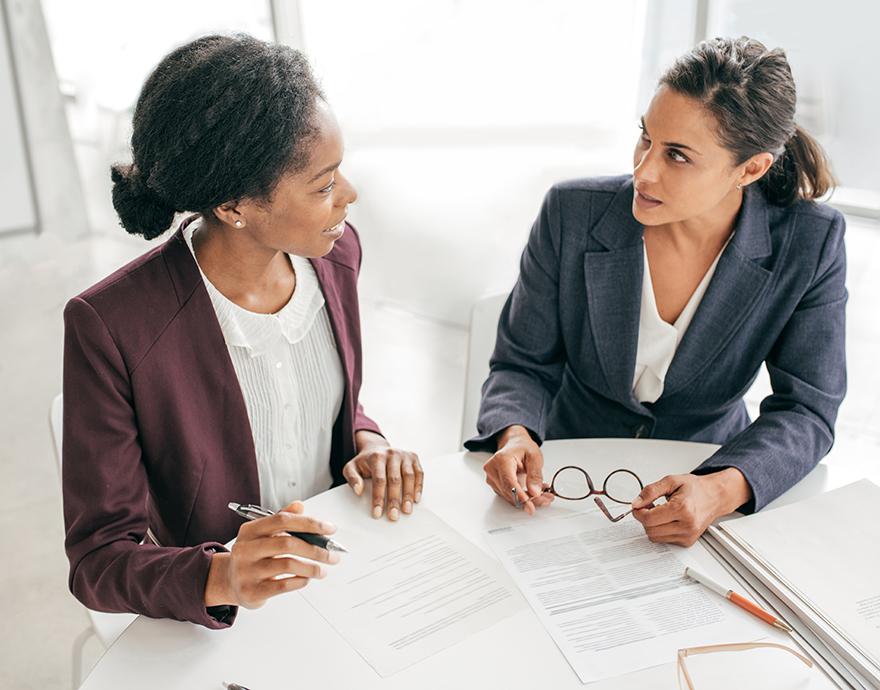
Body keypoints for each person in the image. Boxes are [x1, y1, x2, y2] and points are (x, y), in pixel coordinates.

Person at [62, 34, 423, 629]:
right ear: (234, 206)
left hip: (341, 579)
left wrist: (368, 443)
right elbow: (97, 560)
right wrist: (222, 574)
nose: (350, 197)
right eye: (325, 184)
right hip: (222, 620)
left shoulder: (337, 256)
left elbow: (336, 405)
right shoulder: (112, 326)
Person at [469, 37, 846, 546]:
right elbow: (522, 364)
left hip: (702, 477)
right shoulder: (571, 213)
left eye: (677, 155)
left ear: (750, 169)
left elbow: (807, 410)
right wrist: (516, 434)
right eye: (645, 138)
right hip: (566, 481)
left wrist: (721, 489)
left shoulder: (810, 242)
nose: (643, 171)